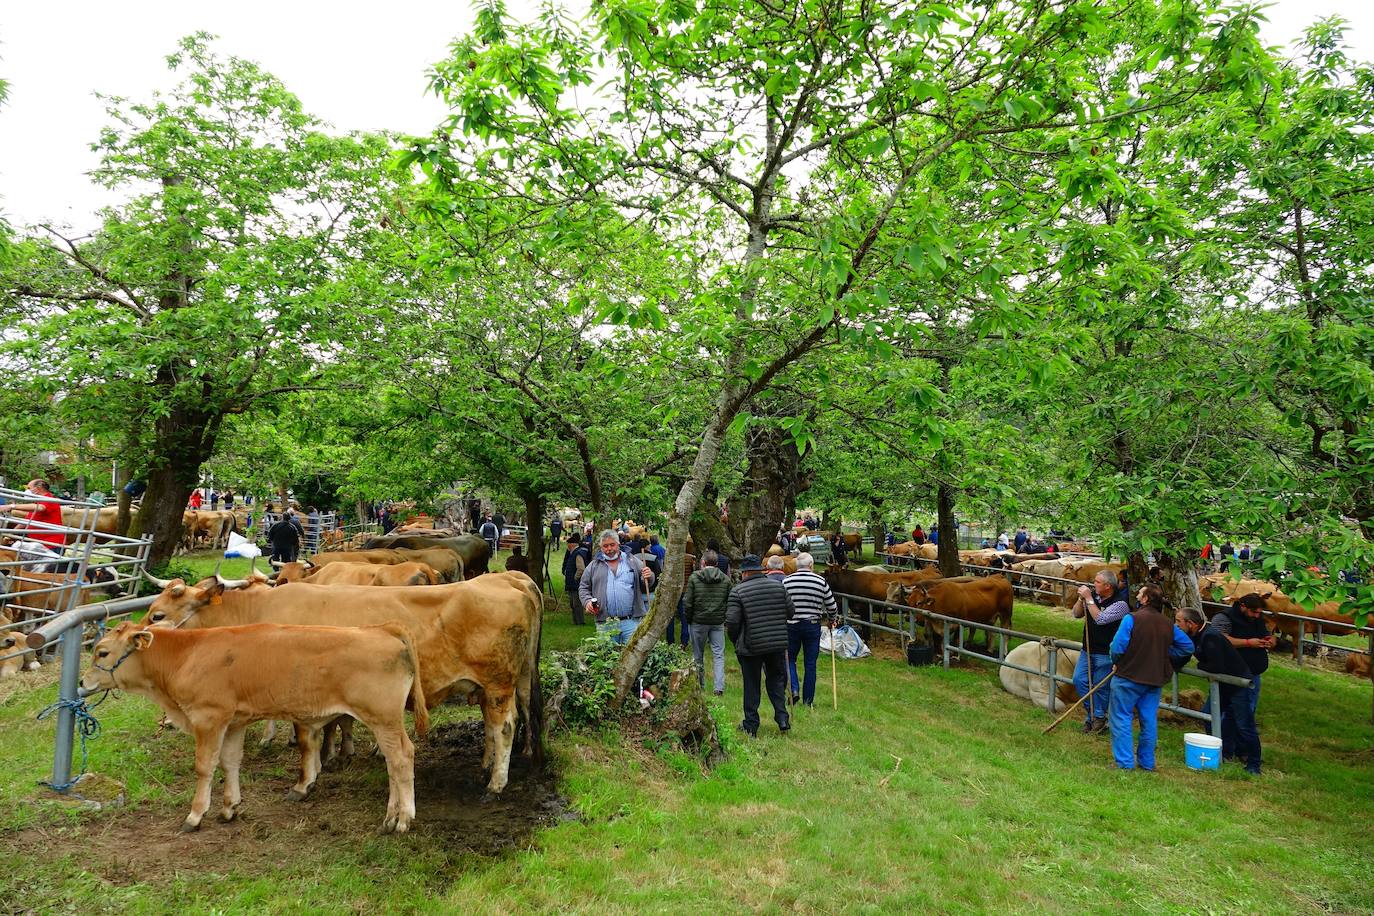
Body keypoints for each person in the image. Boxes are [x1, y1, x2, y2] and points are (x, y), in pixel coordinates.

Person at [1108, 584, 1194, 770]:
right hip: (1155, 679)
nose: (1137, 595)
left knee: (1121, 717)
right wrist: (1162, 654)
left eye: (1140, 593)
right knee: (1148, 720)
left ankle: (1124, 763)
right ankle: (1147, 763)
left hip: (1128, 676)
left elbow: (1117, 647)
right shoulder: (1168, 624)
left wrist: (1117, 661)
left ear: (1146, 599)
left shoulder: (1131, 619)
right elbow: (1188, 647)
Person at [1175, 605, 1261, 774]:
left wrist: (1200, 665)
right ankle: (1223, 752)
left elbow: (1215, 666)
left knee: (1244, 724)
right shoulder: (1193, 635)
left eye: (1178, 621)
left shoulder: (1210, 637)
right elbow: (1186, 654)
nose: (1176, 625)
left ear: (1190, 623)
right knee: (1209, 717)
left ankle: (1254, 764)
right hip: (1223, 685)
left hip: (1238, 684)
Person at [726, 555, 793, 737]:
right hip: (777, 644)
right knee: (776, 681)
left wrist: (736, 641)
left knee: (751, 685)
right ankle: (782, 717)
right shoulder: (779, 587)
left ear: (745, 573)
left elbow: (732, 622)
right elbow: (791, 612)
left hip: (751, 646)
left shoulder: (738, 591)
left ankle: (751, 725)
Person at [1210, 592, 1273, 768]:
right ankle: (1225, 749)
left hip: (1252, 673)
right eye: (1254, 612)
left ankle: (1240, 750)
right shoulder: (1224, 618)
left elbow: (1266, 634)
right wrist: (1248, 642)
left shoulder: (1257, 619)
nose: (1256, 616)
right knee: (1225, 713)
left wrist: (1269, 641)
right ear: (1243, 606)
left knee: (1244, 713)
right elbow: (1219, 639)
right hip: (1230, 673)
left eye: (1259, 613)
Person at [1071, 570, 1132, 734]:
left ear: (1108, 586)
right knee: (1079, 680)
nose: (1093, 584)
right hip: (1087, 649)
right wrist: (1080, 599)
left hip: (1105, 652)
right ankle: (1095, 715)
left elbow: (1101, 619)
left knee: (1100, 687)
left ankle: (1097, 718)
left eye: (1097, 582)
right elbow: (1076, 614)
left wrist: (1089, 599)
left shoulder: (1120, 604)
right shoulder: (1093, 597)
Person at [579, 530, 655, 645]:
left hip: (631, 622)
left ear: (618, 544)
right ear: (600, 547)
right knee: (607, 660)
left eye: (612, 545)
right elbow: (583, 587)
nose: (609, 549)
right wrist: (587, 602)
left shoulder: (632, 561)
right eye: (605, 546)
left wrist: (649, 576)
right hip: (605, 623)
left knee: (632, 659)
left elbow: (647, 581)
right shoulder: (594, 566)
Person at [783, 552, 837, 707]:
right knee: (810, 663)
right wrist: (832, 620)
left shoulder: (787, 581)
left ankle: (793, 689)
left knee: (790, 659)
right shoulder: (821, 581)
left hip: (791, 625)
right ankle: (808, 701)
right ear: (811, 566)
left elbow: (781, 602)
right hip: (812, 625)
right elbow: (831, 605)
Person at [684, 550, 732, 695]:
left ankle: (700, 685)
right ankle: (719, 688)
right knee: (718, 654)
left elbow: (688, 602)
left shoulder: (694, 578)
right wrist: (724, 617)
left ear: (703, 563)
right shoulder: (725, 579)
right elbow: (729, 602)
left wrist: (689, 619)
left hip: (698, 621)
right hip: (717, 622)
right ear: (716, 564)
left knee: (698, 655)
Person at [0, 479, 66, 550]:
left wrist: (11, 506)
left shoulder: (49, 500)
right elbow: (25, 522)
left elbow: (41, 508)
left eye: (29, 488)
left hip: (50, 545)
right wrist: (9, 535)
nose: (27, 491)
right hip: (39, 544)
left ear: (38, 489)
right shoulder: (38, 502)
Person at [561, 534, 591, 624]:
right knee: (572, 604)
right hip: (571, 583)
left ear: (572, 545)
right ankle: (575, 621)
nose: (567, 547)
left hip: (576, 583)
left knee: (576, 604)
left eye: (568, 544)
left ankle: (580, 621)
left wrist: (575, 578)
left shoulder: (577, 554)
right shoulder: (573, 553)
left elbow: (581, 568)